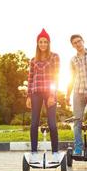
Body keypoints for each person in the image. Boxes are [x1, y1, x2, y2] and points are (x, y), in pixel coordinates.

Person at [26, 28, 60, 163]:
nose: (43, 44)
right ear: (37, 43)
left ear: (49, 43)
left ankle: (55, 152)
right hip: (35, 93)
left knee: (52, 124)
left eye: (45, 41)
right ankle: (34, 152)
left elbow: (56, 77)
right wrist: (28, 96)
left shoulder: (54, 57)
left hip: (49, 93)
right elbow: (30, 78)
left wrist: (52, 94)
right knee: (34, 123)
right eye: (41, 42)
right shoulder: (33, 60)